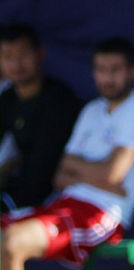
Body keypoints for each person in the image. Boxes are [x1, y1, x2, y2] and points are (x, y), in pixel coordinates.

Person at [0, 37, 134, 270]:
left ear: (133, 71)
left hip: (101, 215)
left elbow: (113, 174)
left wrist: (92, 173)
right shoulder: (92, 110)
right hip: (63, 204)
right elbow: (61, 175)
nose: (108, 77)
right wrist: (100, 174)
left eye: (115, 69)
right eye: (101, 69)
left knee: (13, 243)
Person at [0, 23, 82, 213]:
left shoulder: (59, 100)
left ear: (40, 53)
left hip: (54, 200)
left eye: (23, 54)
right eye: (8, 57)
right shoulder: (8, 98)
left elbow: (43, 172)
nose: (16, 64)